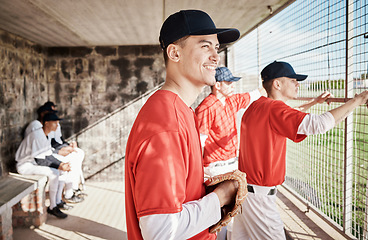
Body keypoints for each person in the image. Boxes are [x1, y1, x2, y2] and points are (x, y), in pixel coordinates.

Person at [125, 9, 241, 240]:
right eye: (205, 46)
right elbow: (160, 231)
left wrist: (206, 191)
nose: (216, 57)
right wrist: (221, 196)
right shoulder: (167, 122)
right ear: (175, 53)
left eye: (216, 48)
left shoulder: (181, 110)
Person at [233, 61, 368, 240]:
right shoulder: (274, 108)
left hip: (246, 192)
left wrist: (314, 102)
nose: (298, 84)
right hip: (260, 198)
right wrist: (357, 100)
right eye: (293, 80)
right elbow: (318, 124)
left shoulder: (257, 105)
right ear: (277, 84)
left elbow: (289, 115)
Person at [196, 66, 265, 179]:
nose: (233, 85)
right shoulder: (207, 107)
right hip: (215, 167)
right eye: (228, 82)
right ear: (217, 85)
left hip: (232, 163)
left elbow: (254, 95)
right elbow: (199, 142)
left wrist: (270, 80)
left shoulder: (231, 100)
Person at [15, 112, 72, 218]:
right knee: (54, 172)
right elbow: (40, 160)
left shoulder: (44, 134)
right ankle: (52, 207)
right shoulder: (37, 135)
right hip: (24, 166)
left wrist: (61, 164)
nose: (57, 125)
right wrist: (59, 166)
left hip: (32, 163)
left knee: (60, 170)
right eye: (54, 122)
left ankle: (57, 201)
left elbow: (48, 155)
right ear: (46, 123)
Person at [45, 101, 86, 194]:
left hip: (54, 151)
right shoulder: (43, 126)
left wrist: (68, 146)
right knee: (71, 159)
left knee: (78, 152)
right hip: (47, 155)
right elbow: (48, 147)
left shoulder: (54, 123)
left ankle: (74, 187)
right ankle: (69, 192)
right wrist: (59, 151)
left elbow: (58, 140)